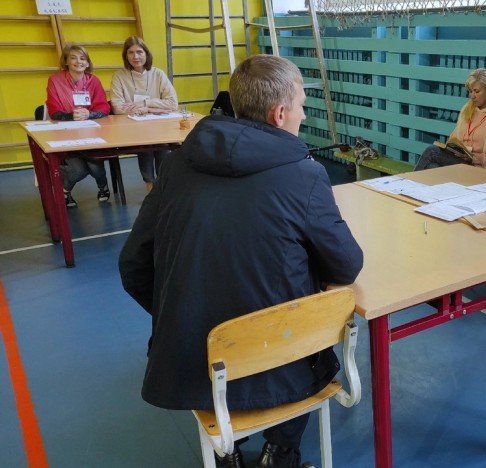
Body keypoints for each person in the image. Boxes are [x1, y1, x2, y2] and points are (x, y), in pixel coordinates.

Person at [118, 55, 364, 468]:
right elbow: (346, 265)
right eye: (302, 106)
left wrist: (181, 315)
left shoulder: (176, 165)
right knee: (306, 332)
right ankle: (279, 454)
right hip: (279, 361)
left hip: (194, 361)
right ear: (280, 113)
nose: (304, 116)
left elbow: (133, 265)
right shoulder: (304, 175)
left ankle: (226, 454)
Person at [45, 44, 111, 207]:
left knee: (95, 164)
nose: (78, 62)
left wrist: (89, 114)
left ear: (87, 63)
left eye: (82, 58)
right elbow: (53, 110)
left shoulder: (93, 81)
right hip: (65, 133)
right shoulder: (55, 80)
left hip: (91, 132)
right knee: (79, 170)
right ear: (66, 61)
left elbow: (104, 107)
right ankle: (64, 191)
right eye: (73, 58)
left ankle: (102, 186)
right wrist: (71, 116)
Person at [110, 36, 178, 192]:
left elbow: (173, 104)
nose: (136, 56)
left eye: (139, 52)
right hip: (133, 128)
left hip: (160, 127)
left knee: (163, 144)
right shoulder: (119, 76)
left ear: (146, 54)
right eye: (131, 52)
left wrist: (146, 105)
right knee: (145, 144)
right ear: (126, 56)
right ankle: (150, 183)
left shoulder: (158, 74)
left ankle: (162, 183)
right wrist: (155, 107)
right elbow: (118, 108)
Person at [414, 68, 486, 172]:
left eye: (477, 91)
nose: (472, 96)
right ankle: (409, 182)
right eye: (470, 91)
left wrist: (475, 157)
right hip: (460, 161)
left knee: (432, 151)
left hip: (481, 167)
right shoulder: (467, 109)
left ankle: (408, 181)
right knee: (432, 167)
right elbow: (453, 138)